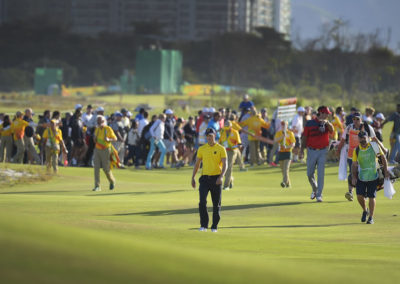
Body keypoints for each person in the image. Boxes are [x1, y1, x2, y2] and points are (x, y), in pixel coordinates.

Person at [191, 128, 227, 233]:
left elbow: (225, 164)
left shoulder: (221, 148)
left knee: (216, 204)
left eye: (211, 135)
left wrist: (221, 176)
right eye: (207, 136)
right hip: (204, 179)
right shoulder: (202, 149)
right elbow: (197, 164)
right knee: (202, 202)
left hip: (216, 179)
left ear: (215, 135)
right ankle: (203, 225)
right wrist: (193, 177)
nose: (209, 138)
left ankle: (214, 226)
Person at [351, 131, 389, 224]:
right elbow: (354, 165)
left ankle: (371, 217)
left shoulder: (374, 146)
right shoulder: (356, 150)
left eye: (364, 138)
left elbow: (383, 158)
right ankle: (365, 210)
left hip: (373, 175)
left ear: (368, 138)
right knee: (359, 196)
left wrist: (386, 171)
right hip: (361, 176)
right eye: (361, 139)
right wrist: (353, 177)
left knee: (372, 196)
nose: (363, 140)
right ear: (358, 139)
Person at [337, 112, 376, 201]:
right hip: (351, 155)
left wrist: (379, 150)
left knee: (364, 173)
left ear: (361, 119)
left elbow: (374, 139)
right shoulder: (349, 127)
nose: (355, 121)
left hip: (365, 154)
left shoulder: (367, 127)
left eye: (357, 119)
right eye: (354, 119)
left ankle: (365, 193)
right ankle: (350, 192)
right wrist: (338, 150)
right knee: (352, 173)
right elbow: (343, 139)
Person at [300, 106, 334, 202]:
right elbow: (305, 137)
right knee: (309, 174)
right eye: (326, 113)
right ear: (321, 113)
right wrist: (302, 150)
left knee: (321, 174)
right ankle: (315, 189)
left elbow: (332, 131)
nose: (327, 115)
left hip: (323, 151)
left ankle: (319, 195)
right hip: (311, 151)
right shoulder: (310, 123)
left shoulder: (327, 123)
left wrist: (327, 123)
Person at [93, 115, 117, 191]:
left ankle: (112, 181)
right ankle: (97, 186)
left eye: (101, 121)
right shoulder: (97, 129)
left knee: (105, 168)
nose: (100, 123)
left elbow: (115, 138)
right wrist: (94, 139)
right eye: (98, 121)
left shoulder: (108, 129)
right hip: (97, 149)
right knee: (96, 168)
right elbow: (95, 141)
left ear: (104, 121)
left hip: (106, 149)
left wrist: (108, 139)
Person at [219, 120, 241, 190]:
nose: (226, 130)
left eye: (227, 128)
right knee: (222, 168)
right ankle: (230, 179)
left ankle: (226, 186)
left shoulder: (235, 132)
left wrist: (232, 147)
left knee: (228, 168)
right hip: (223, 151)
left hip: (232, 151)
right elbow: (220, 142)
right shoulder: (222, 132)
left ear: (231, 127)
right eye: (225, 128)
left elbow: (239, 144)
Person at [275, 121, 296, 188]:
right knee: (282, 170)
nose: (283, 126)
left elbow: (293, 144)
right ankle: (288, 184)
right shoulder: (279, 133)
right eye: (282, 125)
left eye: (285, 125)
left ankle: (283, 182)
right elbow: (275, 140)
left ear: (287, 126)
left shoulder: (290, 133)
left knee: (286, 169)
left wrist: (287, 147)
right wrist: (282, 136)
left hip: (288, 152)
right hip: (281, 152)